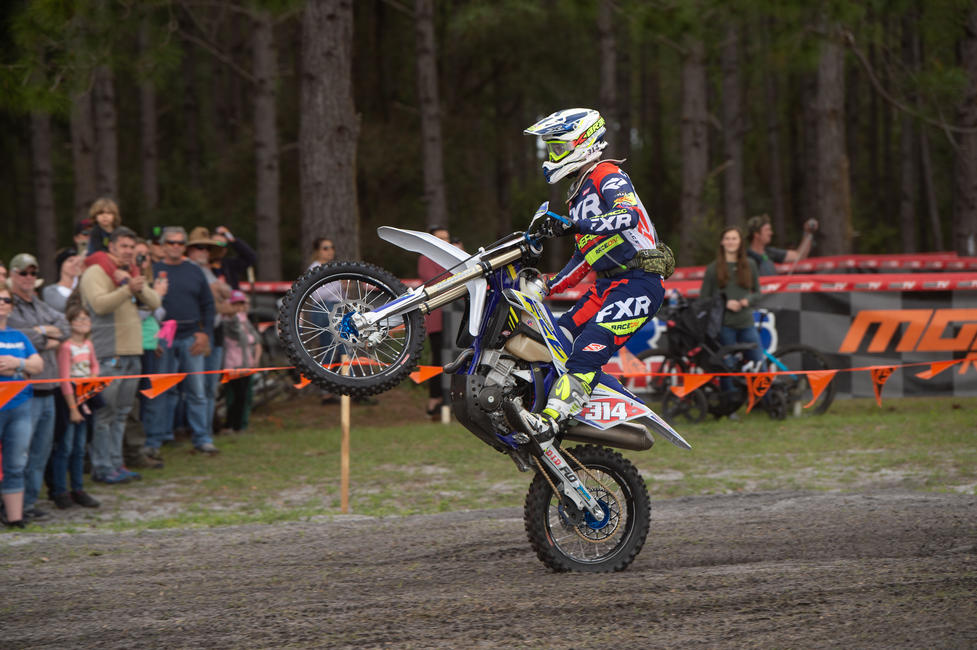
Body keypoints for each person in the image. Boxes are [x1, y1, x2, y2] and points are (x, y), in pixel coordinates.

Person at [507, 108, 673, 441]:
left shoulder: (607, 174)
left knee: (586, 350)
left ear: (580, 143)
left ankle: (551, 420)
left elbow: (626, 215)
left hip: (638, 284)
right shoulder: (578, 193)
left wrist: (574, 225)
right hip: (605, 286)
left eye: (557, 148)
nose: (552, 157)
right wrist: (547, 287)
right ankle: (538, 402)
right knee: (552, 337)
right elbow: (586, 255)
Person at [78, 227, 163, 484]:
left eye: (131, 247)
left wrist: (133, 284)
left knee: (122, 412)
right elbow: (99, 304)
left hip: (132, 351)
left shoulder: (129, 273)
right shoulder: (96, 272)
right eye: (124, 246)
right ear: (111, 246)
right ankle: (102, 467)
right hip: (108, 352)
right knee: (105, 413)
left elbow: (154, 301)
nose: (128, 251)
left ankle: (116, 463)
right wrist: (127, 289)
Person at [6, 253, 71, 520]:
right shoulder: (8, 305)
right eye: (23, 273)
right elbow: (19, 333)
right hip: (23, 391)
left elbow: (65, 326)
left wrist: (40, 332)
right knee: (19, 452)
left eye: (33, 273)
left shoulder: (39, 304)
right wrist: (46, 334)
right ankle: (12, 506)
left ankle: (28, 503)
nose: (29, 278)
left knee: (41, 450)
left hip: (49, 387)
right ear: (12, 275)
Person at [144, 227, 219, 456]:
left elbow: (208, 305)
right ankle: (155, 439)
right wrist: (151, 337)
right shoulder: (153, 271)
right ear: (163, 245)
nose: (175, 246)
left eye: (179, 243)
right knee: (161, 389)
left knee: (197, 390)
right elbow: (145, 307)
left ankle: (202, 438)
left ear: (184, 246)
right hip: (163, 335)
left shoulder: (195, 271)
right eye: (171, 242)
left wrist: (205, 333)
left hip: (190, 336)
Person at [700, 226, 764, 399]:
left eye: (734, 238)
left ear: (740, 242)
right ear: (722, 242)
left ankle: (765, 400)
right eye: (727, 238)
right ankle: (730, 403)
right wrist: (724, 303)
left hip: (746, 323)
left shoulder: (750, 264)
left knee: (759, 363)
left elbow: (758, 293)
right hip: (724, 326)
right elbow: (704, 299)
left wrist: (746, 301)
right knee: (727, 367)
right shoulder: (713, 268)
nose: (730, 242)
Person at [0, 284, 44, 529]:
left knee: (16, 463)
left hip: (20, 406)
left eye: (6, 300)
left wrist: (17, 363)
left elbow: (38, 365)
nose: (2, 303)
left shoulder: (19, 337)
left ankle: (15, 518)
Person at [51, 304, 101, 509]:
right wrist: (72, 407)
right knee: (66, 446)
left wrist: (93, 378)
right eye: (79, 320)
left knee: (80, 447)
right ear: (70, 323)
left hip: (85, 395)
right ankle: (60, 490)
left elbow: (94, 364)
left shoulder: (88, 344)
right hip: (69, 399)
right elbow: (64, 378)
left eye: (86, 319)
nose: (83, 324)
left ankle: (78, 488)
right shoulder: (66, 347)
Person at [186, 227, 233, 437]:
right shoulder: (187, 269)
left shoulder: (208, 270)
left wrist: (220, 294)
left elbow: (227, 293)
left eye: (206, 248)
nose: (203, 252)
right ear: (190, 250)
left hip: (215, 330)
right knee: (197, 388)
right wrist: (218, 293)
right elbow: (217, 295)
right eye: (199, 247)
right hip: (198, 331)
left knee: (210, 386)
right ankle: (198, 432)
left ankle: (206, 430)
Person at [417, 225, 451, 419]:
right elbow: (436, 283)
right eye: (440, 238)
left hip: (455, 317)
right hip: (437, 317)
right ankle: (434, 399)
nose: (444, 242)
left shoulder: (453, 258)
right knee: (438, 359)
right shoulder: (425, 259)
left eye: (446, 238)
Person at [221, 290, 262, 432]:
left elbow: (255, 339)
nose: (239, 307)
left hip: (246, 364)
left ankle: (238, 425)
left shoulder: (244, 319)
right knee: (234, 397)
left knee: (243, 397)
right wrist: (231, 312)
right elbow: (237, 333)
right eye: (236, 304)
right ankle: (231, 425)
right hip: (232, 364)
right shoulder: (229, 320)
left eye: (241, 304)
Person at [746, 214, 819, 276]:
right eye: (767, 230)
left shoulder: (770, 252)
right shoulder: (746, 257)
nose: (771, 233)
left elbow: (799, 256)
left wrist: (808, 233)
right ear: (756, 234)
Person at [211, 226, 257, 290]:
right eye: (215, 244)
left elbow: (250, 257)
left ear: (225, 250)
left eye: (223, 245)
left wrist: (231, 238)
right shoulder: (203, 266)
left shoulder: (230, 265)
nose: (219, 248)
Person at [42, 248, 83, 313]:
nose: (75, 264)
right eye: (70, 261)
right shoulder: (50, 291)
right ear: (61, 264)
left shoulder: (83, 287)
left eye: (77, 262)